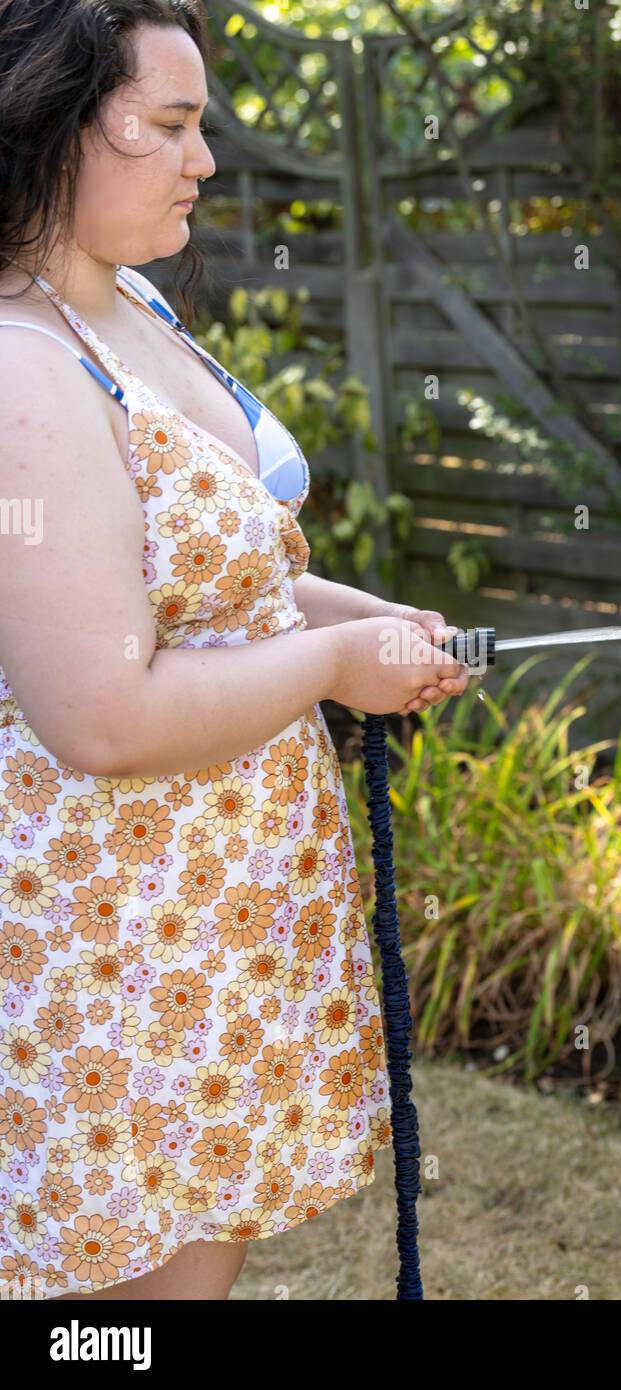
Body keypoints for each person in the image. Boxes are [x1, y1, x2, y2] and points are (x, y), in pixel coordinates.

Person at [0, 0, 469, 1301]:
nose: (206, 159)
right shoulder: (21, 371)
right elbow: (100, 712)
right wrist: (330, 672)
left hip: (223, 920)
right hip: (120, 946)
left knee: (194, 1272)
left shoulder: (126, 300)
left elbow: (236, 582)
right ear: (46, 129)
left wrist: (366, 624)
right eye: (170, 124)